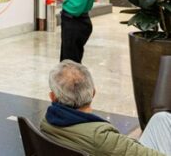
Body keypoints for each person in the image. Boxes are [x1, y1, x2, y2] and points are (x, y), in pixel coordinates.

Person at [41, 60, 171, 155]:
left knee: (161, 118)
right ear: (93, 93)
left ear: (52, 97)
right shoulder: (101, 137)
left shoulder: (47, 123)